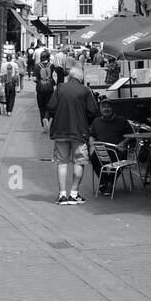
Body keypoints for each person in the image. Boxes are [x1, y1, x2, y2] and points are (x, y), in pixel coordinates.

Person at [46, 66, 97, 205]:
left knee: (62, 162)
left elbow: (51, 107)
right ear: (81, 79)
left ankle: (62, 195)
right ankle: (74, 194)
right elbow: (93, 111)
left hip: (60, 131)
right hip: (79, 131)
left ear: (69, 77)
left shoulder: (60, 88)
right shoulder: (86, 91)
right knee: (79, 161)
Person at [34, 49, 55, 131]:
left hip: (40, 89)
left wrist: (39, 81)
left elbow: (34, 79)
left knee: (41, 107)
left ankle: (43, 126)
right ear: (48, 57)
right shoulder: (52, 66)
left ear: (41, 57)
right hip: (50, 89)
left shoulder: (37, 66)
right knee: (49, 106)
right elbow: (54, 79)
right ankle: (47, 117)